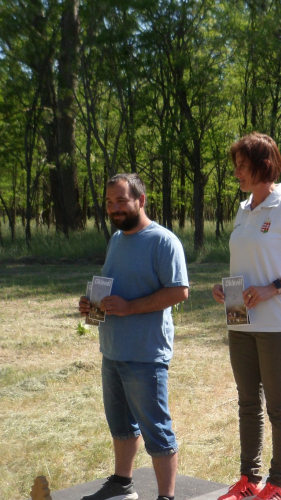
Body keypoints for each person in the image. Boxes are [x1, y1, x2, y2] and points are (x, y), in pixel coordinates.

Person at [212, 132, 281, 500]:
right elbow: (246, 263)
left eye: (241, 167)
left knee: (278, 405)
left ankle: (277, 484)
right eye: (235, 167)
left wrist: (273, 287)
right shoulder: (244, 210)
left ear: (263, 166)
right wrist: (225, 291)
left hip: (278, 325)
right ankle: (249, 480)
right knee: (248, 403)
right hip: (240, 322)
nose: (236, 174)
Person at [77, 173, 190, 500]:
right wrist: (91, 305)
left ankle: (166, 497)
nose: (114, 208)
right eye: (109, 202)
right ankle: (122, 484)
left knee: (157, 430)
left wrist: (130, 308)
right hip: (112, 350)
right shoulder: (116, 239)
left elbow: (179, 291)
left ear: (140, 200)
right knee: (122, 425)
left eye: (121, 201)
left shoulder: (163, 241)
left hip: (145, 354)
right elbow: (113, 287)